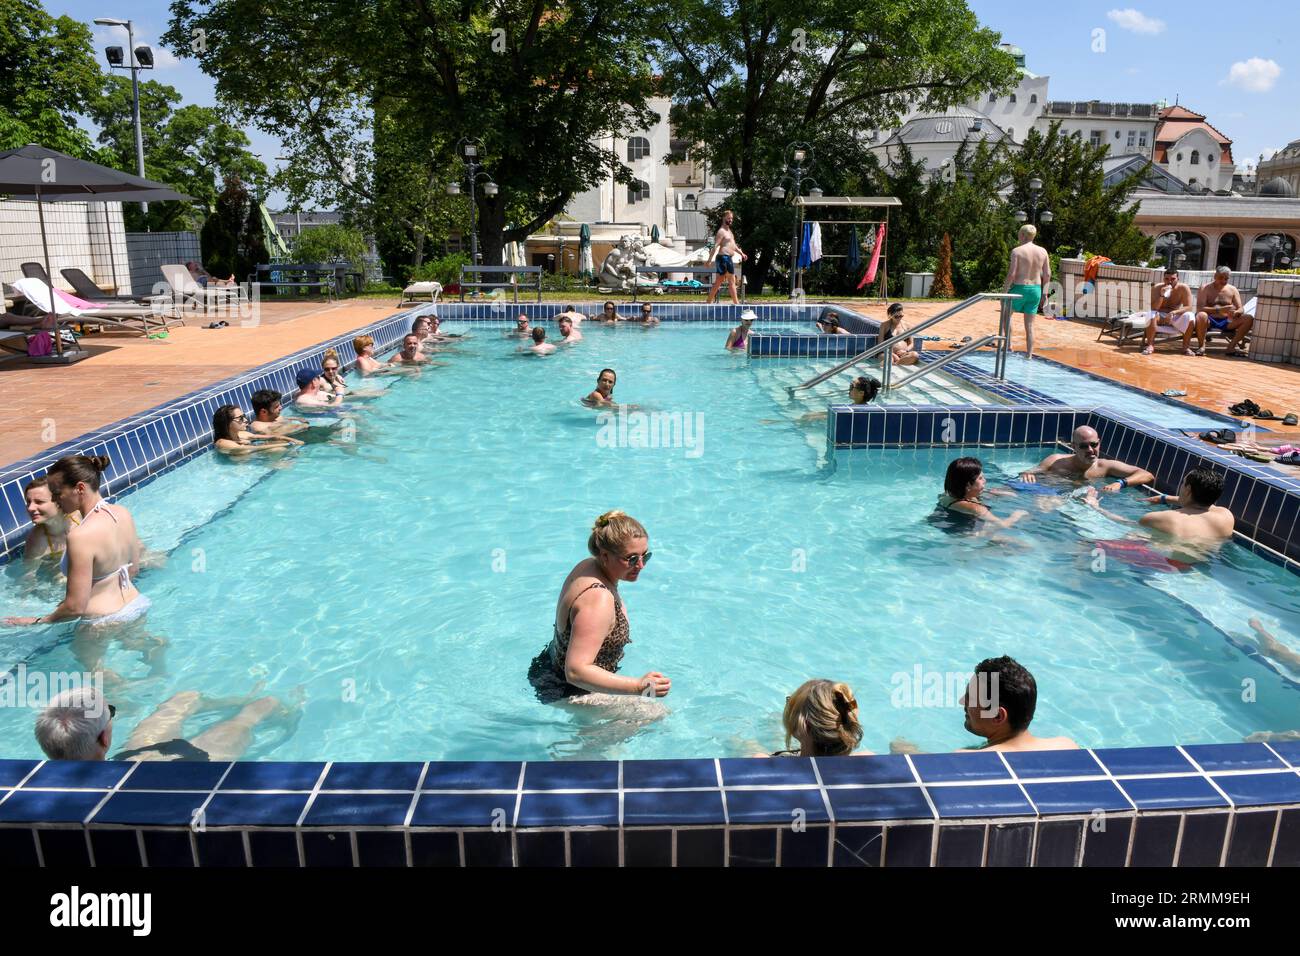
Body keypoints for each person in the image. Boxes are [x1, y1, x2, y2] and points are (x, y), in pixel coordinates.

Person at [527, 510, 670, 703]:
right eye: (632, 559)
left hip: (548, 668)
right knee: (656, 716)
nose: (641, 565)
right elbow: (576, 672)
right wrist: (638, 686)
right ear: (604, 555)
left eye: (645, 555)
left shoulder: (588, 566)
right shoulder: (598, 599)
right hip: (571, 691)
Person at [2, 455, 148, 631]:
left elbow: (74, 607)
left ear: (79, 488)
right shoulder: (121, 513)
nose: (55, 500)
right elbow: (133, 569)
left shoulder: (80, 536)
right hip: (135, 604)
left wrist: (38, 620)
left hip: (100, 622)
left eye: (57, 493)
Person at [35, 685, 289, 762]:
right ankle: (260, 702)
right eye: (110, 713)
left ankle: (245, 698)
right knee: (251, 715)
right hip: (164, 769)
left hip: (126, 761)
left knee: (183, 699)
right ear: (104, 738)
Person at [1084, 468, 1234, 546]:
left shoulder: (1163, 518)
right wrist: (1164, 498)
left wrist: (1096, 507)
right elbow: (1201, 506)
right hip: (1201, 562)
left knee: (1090, 543)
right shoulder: (1226, 516)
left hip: (1166, 564)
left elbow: (1124, 523)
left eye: (1183, 483)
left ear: (1188, 490)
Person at [957, 656, 1078, 753]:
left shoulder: (967, 759)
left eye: (970, 698)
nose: (962, 701)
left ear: (997, 716)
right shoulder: (1066, 747)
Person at [1019, 425, 1155, 492]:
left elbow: (1147, 475)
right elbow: (1030, 472)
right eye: (1084, 446)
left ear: (1099, 443)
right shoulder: (1055, 460)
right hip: (1048, 492)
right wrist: (1027, 473)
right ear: (1073, 446)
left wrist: (1120, 483)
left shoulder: (1105, 466)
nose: (1090, 450)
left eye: (1094, 444)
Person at [767, 680, 872, 757]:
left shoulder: (764, 764)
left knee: (754, 744)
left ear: (804, 725)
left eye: (790, 703)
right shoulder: (868, 758)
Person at [1002, 224, 1051, 358]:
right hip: (1036, 289)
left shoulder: (1017, 251)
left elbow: (1012, 274)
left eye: (1019, 235)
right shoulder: (1043, 251)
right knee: (1029, 325)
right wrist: (1045, 295)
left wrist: (1005, 291)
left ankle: (1008, 346)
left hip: (1019, 288)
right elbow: (1047, 274)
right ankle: (1029, 355)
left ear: (1022, 235)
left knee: (1007, 315)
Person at [937, 457, 1028, 529]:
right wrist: (1016, 515)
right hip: (972, 538)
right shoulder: (976, 508)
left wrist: (994, 493)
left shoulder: (947, 494)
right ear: (968, 485)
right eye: (980, 478)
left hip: (959, 529)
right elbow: (1003, 525)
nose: (985, 480)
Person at [21, 477, 81, 565]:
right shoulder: (36, 539)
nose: (30, 508)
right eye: (28, 502)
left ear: (59, 501)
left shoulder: (80, 516)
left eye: (39, 502)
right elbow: (28, 575)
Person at [1140, 268, 1199, 355]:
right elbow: (1154, 308)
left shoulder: (1183, 288)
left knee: (1190, 316)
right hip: (1160, 315)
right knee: (1151, 314)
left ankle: (1186, 347)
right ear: (1163, 279)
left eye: (1173, 279)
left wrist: (1173, 313)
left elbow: (1188, 307)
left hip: (1174, 315)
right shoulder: (1157, 288)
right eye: (1167, 279)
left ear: (1178, 279)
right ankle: (1150, 345)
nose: (1170, 281)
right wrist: (1161, 295)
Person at [1196, 267, 1252, 356]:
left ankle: (1231, 347)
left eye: (1226, 278)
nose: (1223, 281)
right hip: (1209, 320)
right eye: (1221, 278)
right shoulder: (1205, 288)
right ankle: (1201, 346)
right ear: (1215, 276)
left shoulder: (1232, 289)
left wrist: (1237, 312)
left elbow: (1241, 308)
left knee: (1248, 318)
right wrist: (1220, 309)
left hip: (1227, 321)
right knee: (1201, 315)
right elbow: (1200, 308)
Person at [212, 404, 300, 455]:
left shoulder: (242, 434)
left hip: (256, 459)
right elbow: (253, 449)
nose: (246, 420)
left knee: (278, 445)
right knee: (277, 449)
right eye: (240, 418)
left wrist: (292, 440)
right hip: (241, 471)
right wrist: (287, 445)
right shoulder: (222, 443)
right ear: (227, 423)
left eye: (244, 416)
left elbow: (272, 437)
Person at [706, 209, 747, 305]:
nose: (731, 220)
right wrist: (709, 260)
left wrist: (741, 253)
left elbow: (733, 245)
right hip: (723, 258)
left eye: (732, 218)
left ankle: (708, 302)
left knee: (720, 282)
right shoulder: (721, 231)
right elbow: (715, 246)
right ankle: (736, 304)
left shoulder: (729, 232)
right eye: (729, 218)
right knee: (730, 281)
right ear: (724, 218)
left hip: (727, 258)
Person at [353, 335, 417, 376]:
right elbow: (368, 373)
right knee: (410, 370)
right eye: (371, 345)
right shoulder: (361, 360)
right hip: (367, 385)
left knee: (411, 370)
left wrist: (387, 365)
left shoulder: (368, 358)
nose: (374, 347)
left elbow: (378, 365)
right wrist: (386, 369)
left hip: (375, 378)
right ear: (364, 348)